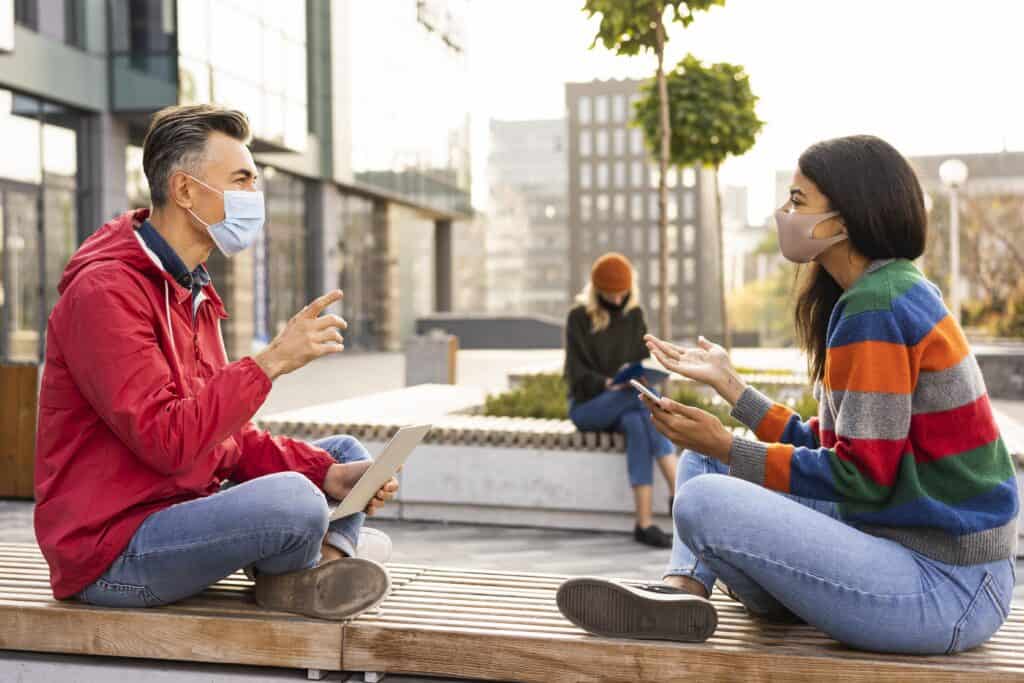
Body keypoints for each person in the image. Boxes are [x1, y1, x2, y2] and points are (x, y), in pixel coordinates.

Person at [556, 135, 1019, 654]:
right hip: (898, 545)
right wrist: (732, 388)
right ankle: (681, 592)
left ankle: (734, 589)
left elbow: (861, 476)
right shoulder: (878, 292)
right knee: (702, 466)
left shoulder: (878, 308)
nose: (784, 213)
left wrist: (728, 444)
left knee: (706, 495)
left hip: (947, 586)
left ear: (844, 222)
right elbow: (834, 447)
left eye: (798, 201)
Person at [34, 104, 399, 620]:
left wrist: (329, 473)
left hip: (179, 511)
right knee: (295, 502)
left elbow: (227, 440)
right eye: (242, 180)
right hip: (113, 552)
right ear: (185, 191)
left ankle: (317, 569)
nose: (255, 196)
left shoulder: (190, 289)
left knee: (343, 454)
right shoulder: (105, 293)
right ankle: (318, 565)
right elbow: (168, 441)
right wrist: (269, 363)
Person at [564, 252, 679, 548]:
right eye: (609, 294)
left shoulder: (634, 315)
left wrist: (643, 375)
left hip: (628, 404)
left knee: (639, 421)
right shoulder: (578, 318)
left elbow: (640, 362)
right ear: (596, 290)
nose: (616, 300)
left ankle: (644, 523)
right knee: (642, 400)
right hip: (588, 406)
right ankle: (678, 489)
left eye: (621, 294)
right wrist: (607, 383)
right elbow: (574, 374)